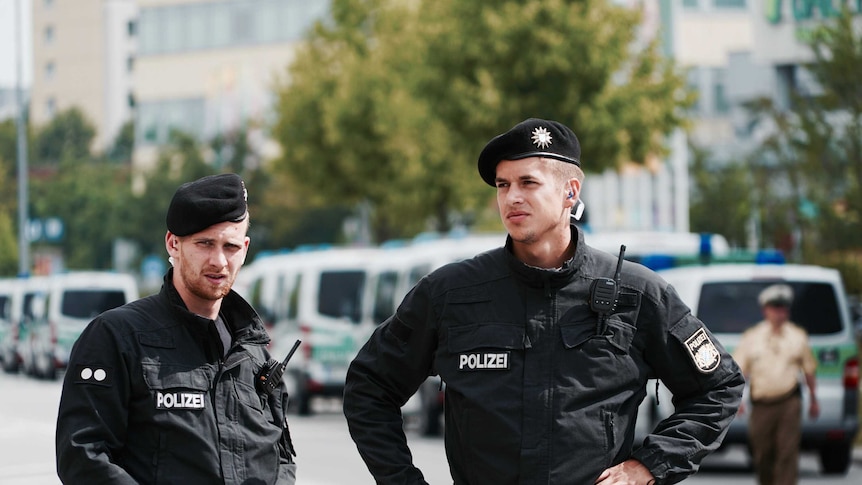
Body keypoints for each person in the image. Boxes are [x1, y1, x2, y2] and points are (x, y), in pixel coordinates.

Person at [343, 118, 745, 484]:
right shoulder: (450, 294)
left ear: (570, 191)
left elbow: (719, 387)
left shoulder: (637, 294)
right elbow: (370, 386)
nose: (511, 197)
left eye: (527, 183)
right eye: (503, 185)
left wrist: (648, 466)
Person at [56, 173, 297, 484]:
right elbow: (83, 456)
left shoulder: (252, 352)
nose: (219, 261)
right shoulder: (117, 337)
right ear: (173, 244)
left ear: (245, 249)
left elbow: (281, 455)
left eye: (231, 246)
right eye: (205, 243)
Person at [733, 284, 818, 485]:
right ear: (766, 310)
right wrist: (739, 400)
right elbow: (740, 372)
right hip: (762, 404)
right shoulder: (752, 337)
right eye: (775, 308)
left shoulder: (798, 336)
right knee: (762, 453)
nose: (780, 313)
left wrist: (814, 399)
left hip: (789, 402)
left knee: (787, 453)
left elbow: (808, 370)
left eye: (783, 309)